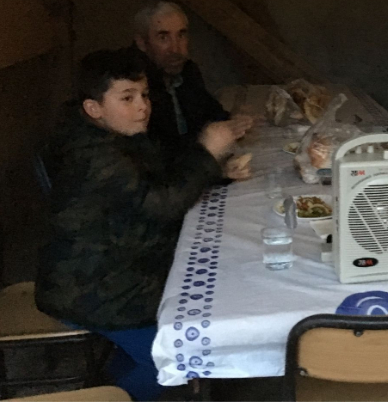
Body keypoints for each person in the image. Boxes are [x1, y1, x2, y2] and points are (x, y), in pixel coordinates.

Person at [35, 49, 246, 401]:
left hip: (116, 266)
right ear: (94, 108)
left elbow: (163, 178)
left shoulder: (115, 137)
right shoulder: (94, 156)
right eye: (127, 98)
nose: (143, 107)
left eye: (145, 95)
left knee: (213, 279)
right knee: (179, 354)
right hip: (92, 286)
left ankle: (109, 386)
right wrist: (207, 153)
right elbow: (163, 204)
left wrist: (214, 171)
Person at [132, 1, 251, 154]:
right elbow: (155, 149)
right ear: (142, 43)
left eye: (181, 35)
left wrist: (233, 121)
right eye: (163, 38)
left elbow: (211, 112)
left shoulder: (188, 71)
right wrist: (206, 143)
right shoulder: (134, 85)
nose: (175, 48)